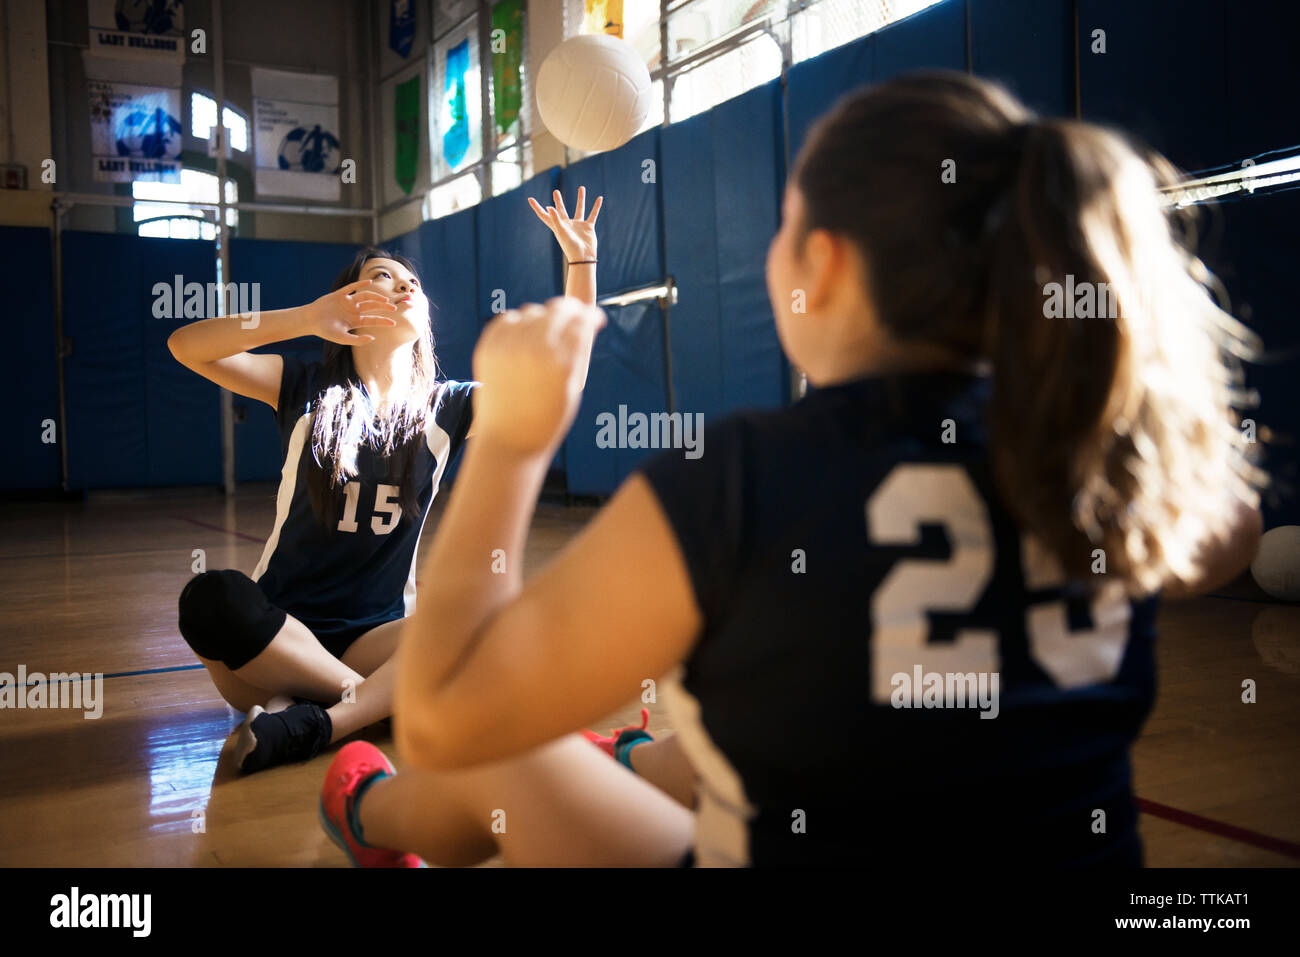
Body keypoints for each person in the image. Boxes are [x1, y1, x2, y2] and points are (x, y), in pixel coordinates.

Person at [318, 72, 1265, 867]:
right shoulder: (1105, 460)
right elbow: (1228, 537)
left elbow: (443, 717)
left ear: (826, 263)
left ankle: (370, 820)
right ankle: (656, 757)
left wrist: (517, 445)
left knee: (506, 753)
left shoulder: (742, 477)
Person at [167, 188, 603, 774]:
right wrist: (304, 318)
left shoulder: (448, 408)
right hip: (271, 637)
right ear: (347, 300)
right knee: (210, 598)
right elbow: (186, 346)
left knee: (485, 615)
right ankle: (370, 707)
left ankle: (314, 721)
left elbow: (561, 385)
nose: (402, 285)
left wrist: (582, 265)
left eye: (411, 284)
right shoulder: (303, 385)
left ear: (424, 321)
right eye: (381, 277)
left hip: (377, 642)